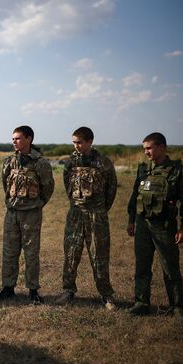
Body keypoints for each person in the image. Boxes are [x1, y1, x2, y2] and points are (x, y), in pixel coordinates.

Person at [126, 132, 183, 322]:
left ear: (162, 147)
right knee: (142, 266)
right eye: (144, 149)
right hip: (142, 225)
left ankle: (178, 306)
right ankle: (141, 303)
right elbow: (134, 198)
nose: (146, 152)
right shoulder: (143, 170)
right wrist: (131, 221)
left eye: (149, 148)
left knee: (170, 268)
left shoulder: (177, 171)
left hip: (164, 227)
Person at [54, 127, 117, 310]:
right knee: (71, 253)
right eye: (74, 142)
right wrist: (77, 205)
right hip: (75, 214)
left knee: (99, 255)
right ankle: (68, 291)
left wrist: (99, 209)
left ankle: (106, 295)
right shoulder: (70, 163)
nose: (76, 146)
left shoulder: (103, 162)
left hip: (97, 215)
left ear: (90, 141)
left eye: (79, 142)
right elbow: (68, 186)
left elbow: (111, 189)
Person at [0, 125, 54, 304]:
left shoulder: (40, 163)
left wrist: (37, 204)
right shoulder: (9, 161)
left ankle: (33, 290)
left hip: (31, 214)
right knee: (9, 251)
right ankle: (8, 287)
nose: (15, 142)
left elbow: (48, 187)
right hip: (12, 213)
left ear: (29, 139)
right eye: (13, 139)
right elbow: (6, 185)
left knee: (31, 253)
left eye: (18, 138)